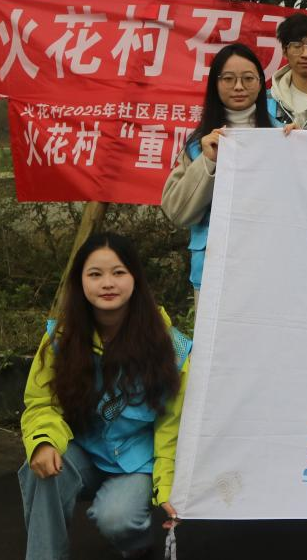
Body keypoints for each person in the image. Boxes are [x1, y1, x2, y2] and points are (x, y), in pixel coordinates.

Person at [19, 232, 192, 560]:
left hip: (137, 463)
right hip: (83, 452)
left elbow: (174, 425)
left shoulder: (172, 346)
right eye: (95, 274)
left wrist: (168, 488)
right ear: (80, 281)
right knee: (37, 465)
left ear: (136, 278)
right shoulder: (61, 338)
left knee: (117, 518)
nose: (107, 283)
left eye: (118, 272)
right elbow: (42, 403)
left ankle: (136, 543)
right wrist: (43, 442)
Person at [161, 43, 276, 298]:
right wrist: (207, 161)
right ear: (215, 84)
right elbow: (177, 212)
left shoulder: (283, 136)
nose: (239, 87)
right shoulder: (198, 145)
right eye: (228, 79)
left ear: (260, 84)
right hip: (214, 273)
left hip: (271, 269)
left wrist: (297, 148)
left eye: (248, 79)